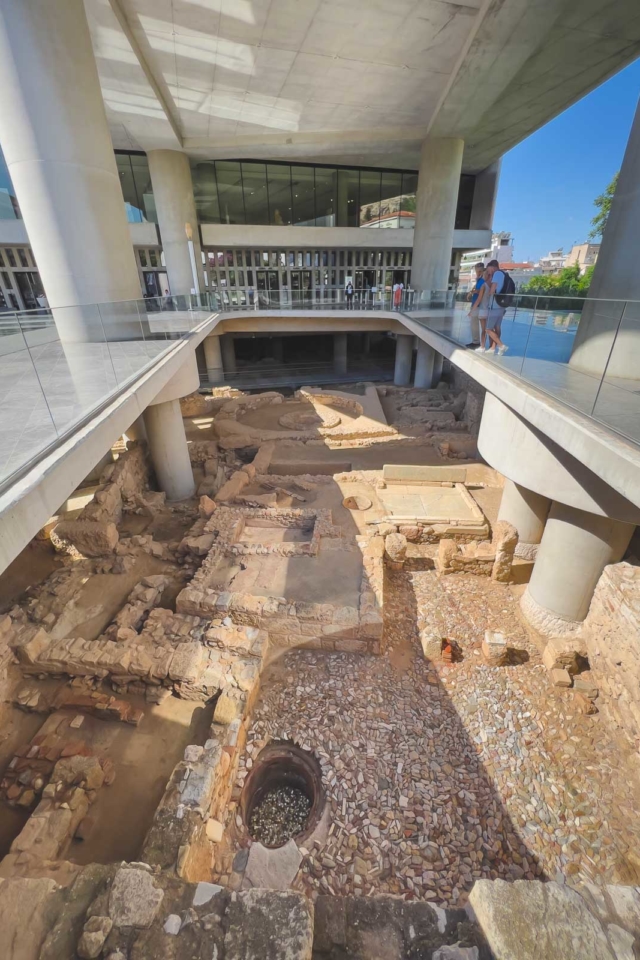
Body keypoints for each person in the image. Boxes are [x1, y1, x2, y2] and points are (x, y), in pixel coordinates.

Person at [481, 260, 509, 355]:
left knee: (488, 329)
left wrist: (489, 293)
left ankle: (501, 346)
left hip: (494, 305)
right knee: (497, 327)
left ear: (492, 267)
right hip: (502, 305)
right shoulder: (504, 274)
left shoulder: (496, 274)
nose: (488, 272)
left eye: (488, 269)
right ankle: (493, 348)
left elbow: (492, 290)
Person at [467, 261, 485, 345]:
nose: (478, 273)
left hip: (478, 305)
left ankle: (476, 342)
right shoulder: (478, 280)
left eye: (480, 271)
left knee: (475, 324)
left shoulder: (483, 280)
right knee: (473, 324)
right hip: (475, 304)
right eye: (477, 271)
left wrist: (475, 291)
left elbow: (482, 291)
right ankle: (476, 341)